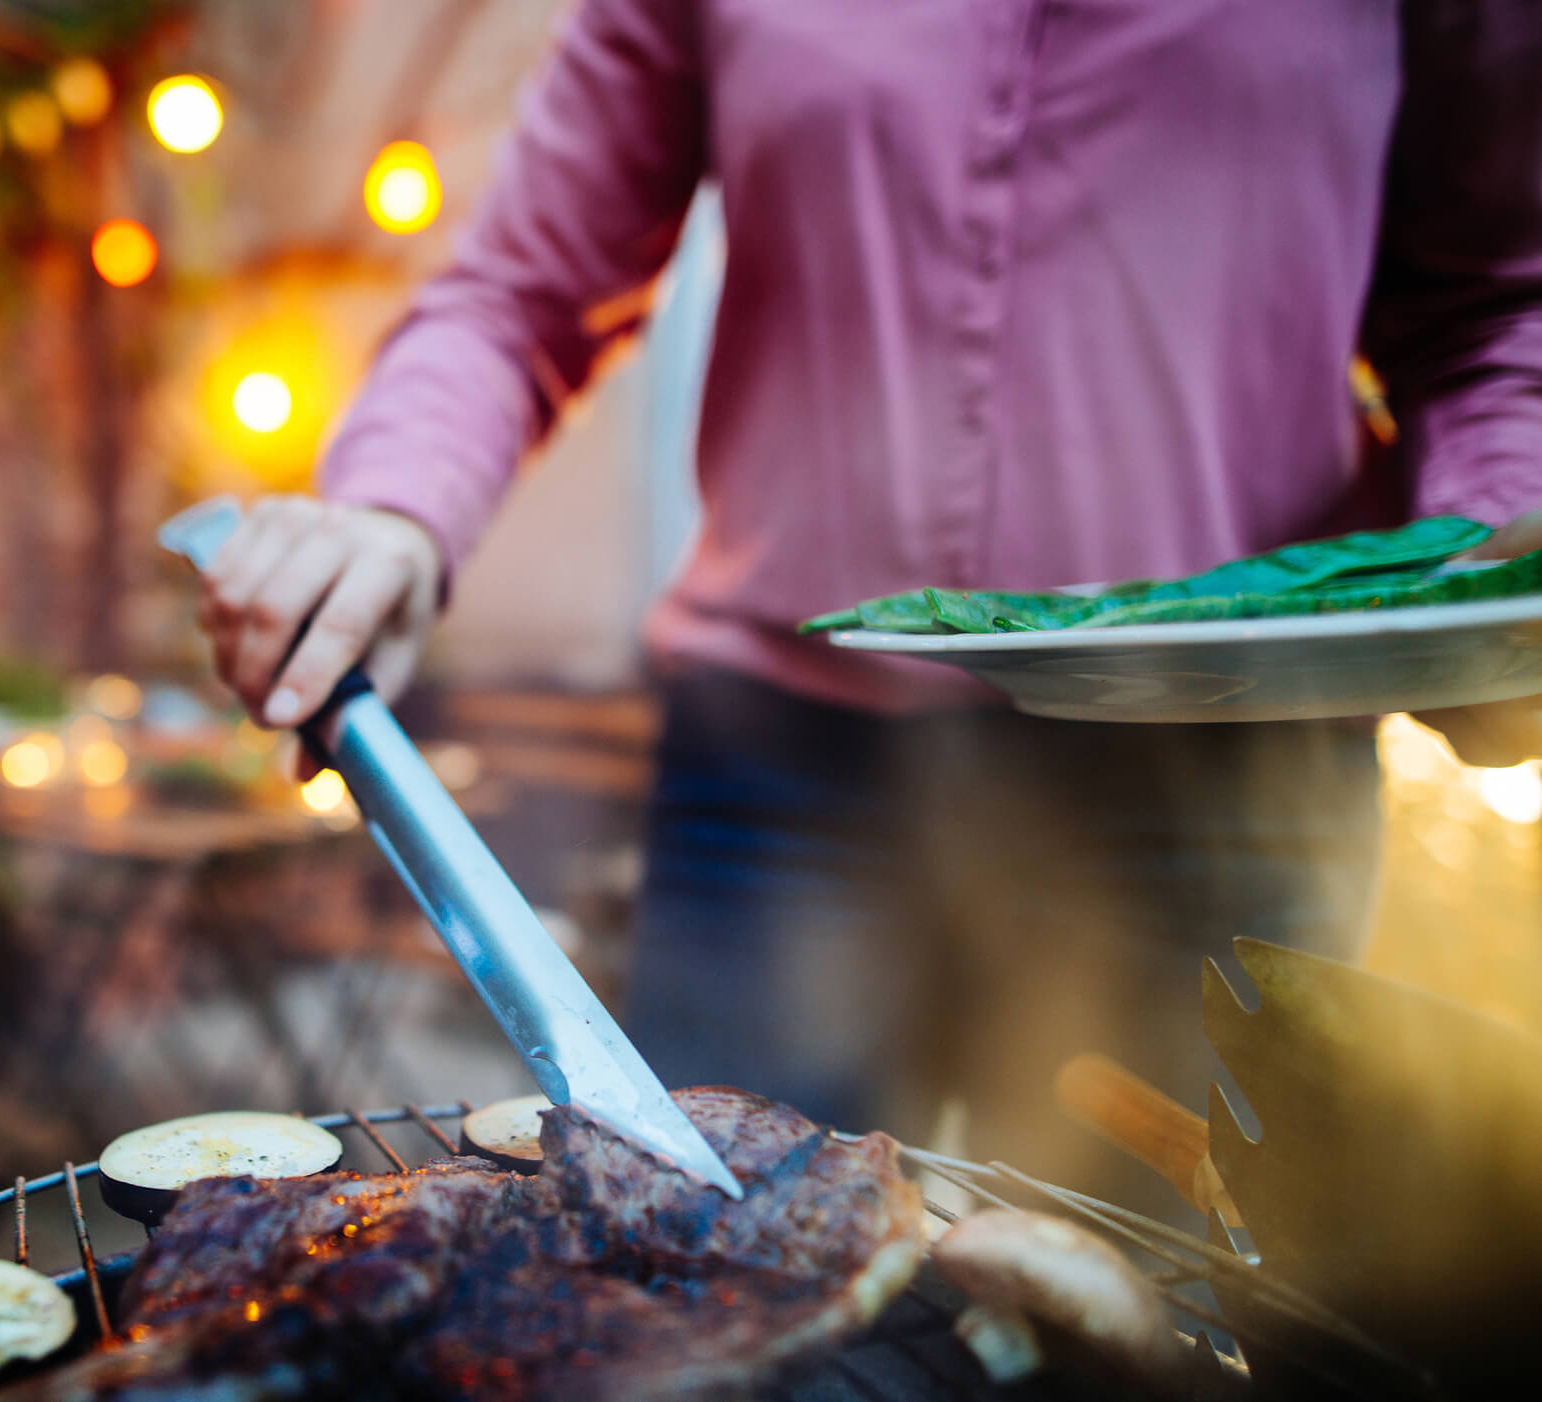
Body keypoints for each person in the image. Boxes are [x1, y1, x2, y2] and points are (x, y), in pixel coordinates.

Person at [195, 0, 1542, 1199]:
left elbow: (1496, 304)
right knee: (703, 1288)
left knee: (1166, 1323)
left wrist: (1500, 571)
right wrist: (390, 506)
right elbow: (518, 290)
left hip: (1214, 789)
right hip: (787, 791)